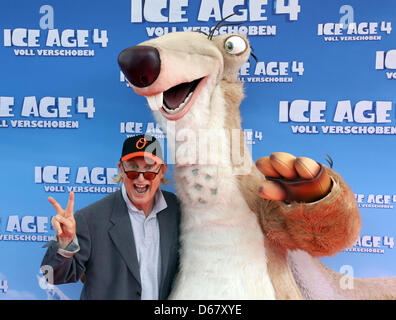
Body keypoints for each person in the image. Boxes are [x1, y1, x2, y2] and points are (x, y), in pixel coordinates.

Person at [41, 134, 180, 300]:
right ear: (121, 169)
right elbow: (52, 276)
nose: (140, 178)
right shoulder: (90, 218)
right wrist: (64, 247)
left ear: (162, 170)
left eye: (149, 169)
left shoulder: (177, 211)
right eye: (133, 168)